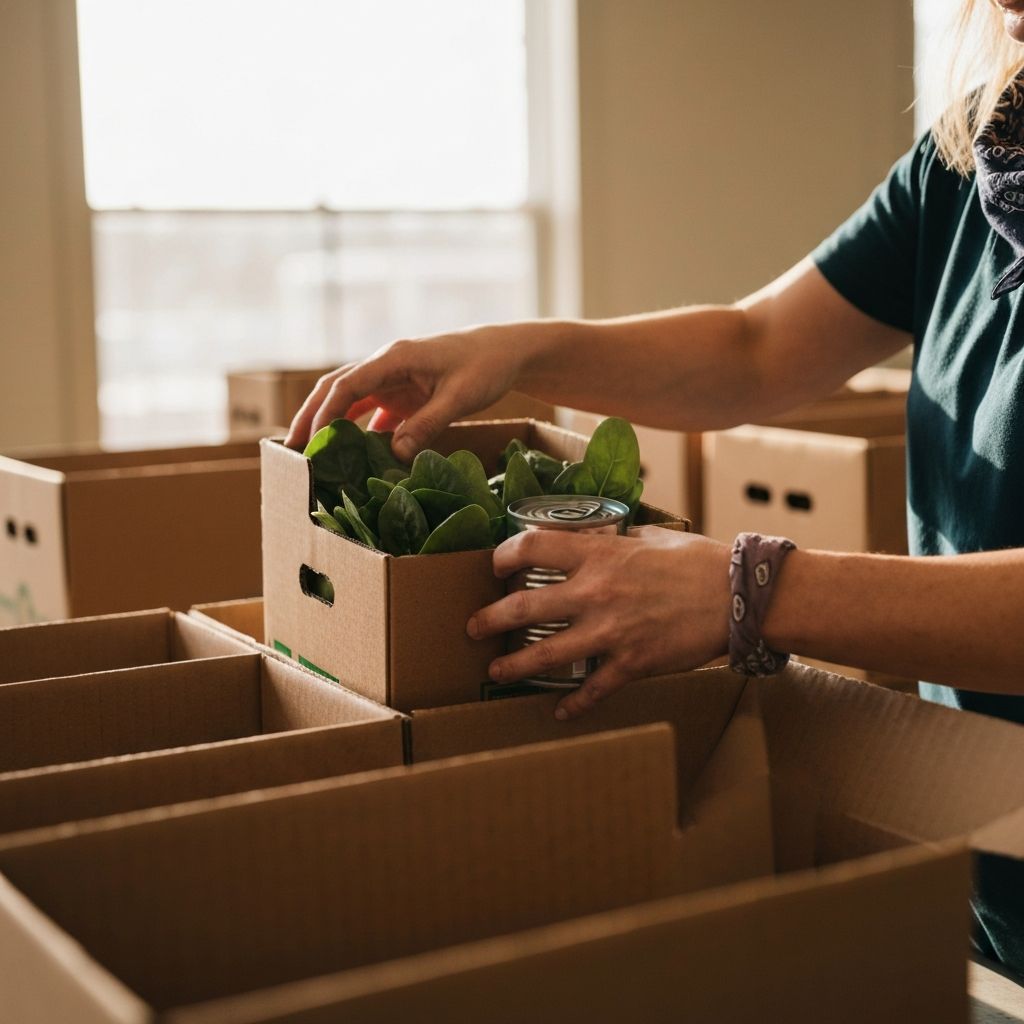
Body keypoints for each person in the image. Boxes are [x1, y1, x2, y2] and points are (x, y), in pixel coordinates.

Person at [287, 0, 1024, 974]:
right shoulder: (973, 154)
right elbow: (756, 348)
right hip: (988, 861)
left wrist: (752, 591)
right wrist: (517, 350)